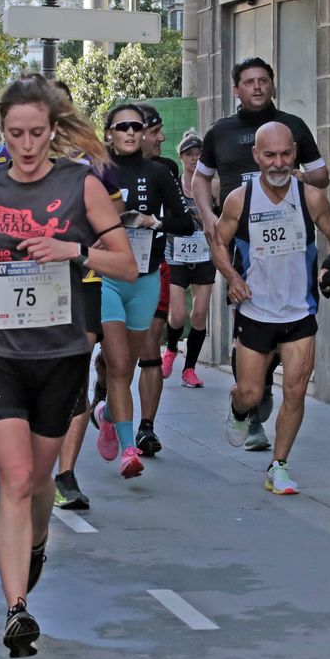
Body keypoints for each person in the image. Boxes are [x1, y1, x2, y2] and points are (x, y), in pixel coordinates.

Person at [0, 74, 136, 657]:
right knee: (16, 477)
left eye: (36, 133)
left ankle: (36, 543)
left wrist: (73, 250)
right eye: (15, 134)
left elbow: (126, 265)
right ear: (1, 133)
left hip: (60, 354)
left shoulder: (82, 186)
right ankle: (16, 610)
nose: (26, 145)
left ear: (53, 131)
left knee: (40, 483)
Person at [191, 57, 330, 451]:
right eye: (249, 81)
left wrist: (292, 174)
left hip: (290, 236)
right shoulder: (220, 131)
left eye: (263, 80)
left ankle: (262, 388)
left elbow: (322, 175)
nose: (257, 87)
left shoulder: (293, 127)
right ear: (236, 89)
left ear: (273, 85)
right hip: (242, 242)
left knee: (286, 324)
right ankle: (251, 406)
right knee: (252, 317)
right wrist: (208, 217)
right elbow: (200, 178)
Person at [210, 122, 330, 495]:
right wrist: (232, 278)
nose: (278, 163)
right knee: (251, 394)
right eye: (270, 155)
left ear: (294, 154)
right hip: (255, 312)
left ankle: (279, 466)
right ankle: (238, 409)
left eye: (286, 154)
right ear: (256, 156)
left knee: (295, 390)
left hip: (299, 313)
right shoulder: (240, 199)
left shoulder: (311, 197)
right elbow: (219, 242)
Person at [89, 104, 193, 478]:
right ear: (109, 133)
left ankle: (107, 415)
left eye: (137, 126)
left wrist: (154, 221)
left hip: (145, 278)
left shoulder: (159, 172)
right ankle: (128, 449)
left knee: (128, 365)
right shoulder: (95, 172)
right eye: (123, 127)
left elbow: (185, 223)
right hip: (105, 279)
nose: (131, 132)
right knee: (118, 363)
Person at [133, 103, 176, 456]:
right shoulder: (105, 170)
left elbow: (181, 218)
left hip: (154, 266)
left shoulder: (167, 169)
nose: (161, 138)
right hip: (112, 272)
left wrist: (157, 222)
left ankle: (146, 428)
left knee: (150, 350)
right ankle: (104, 395)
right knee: (114, 357)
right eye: (155, 132)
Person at [163, 131, 213, 387]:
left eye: (198, 154)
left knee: (200, 314)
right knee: (178, 315)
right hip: (176, 256)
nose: (194, 159)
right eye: (189, 154)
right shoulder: (172, 186)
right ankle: (171, 350)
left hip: (204, 255)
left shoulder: (212, 186)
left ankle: (189, 369)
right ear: (181, 157)